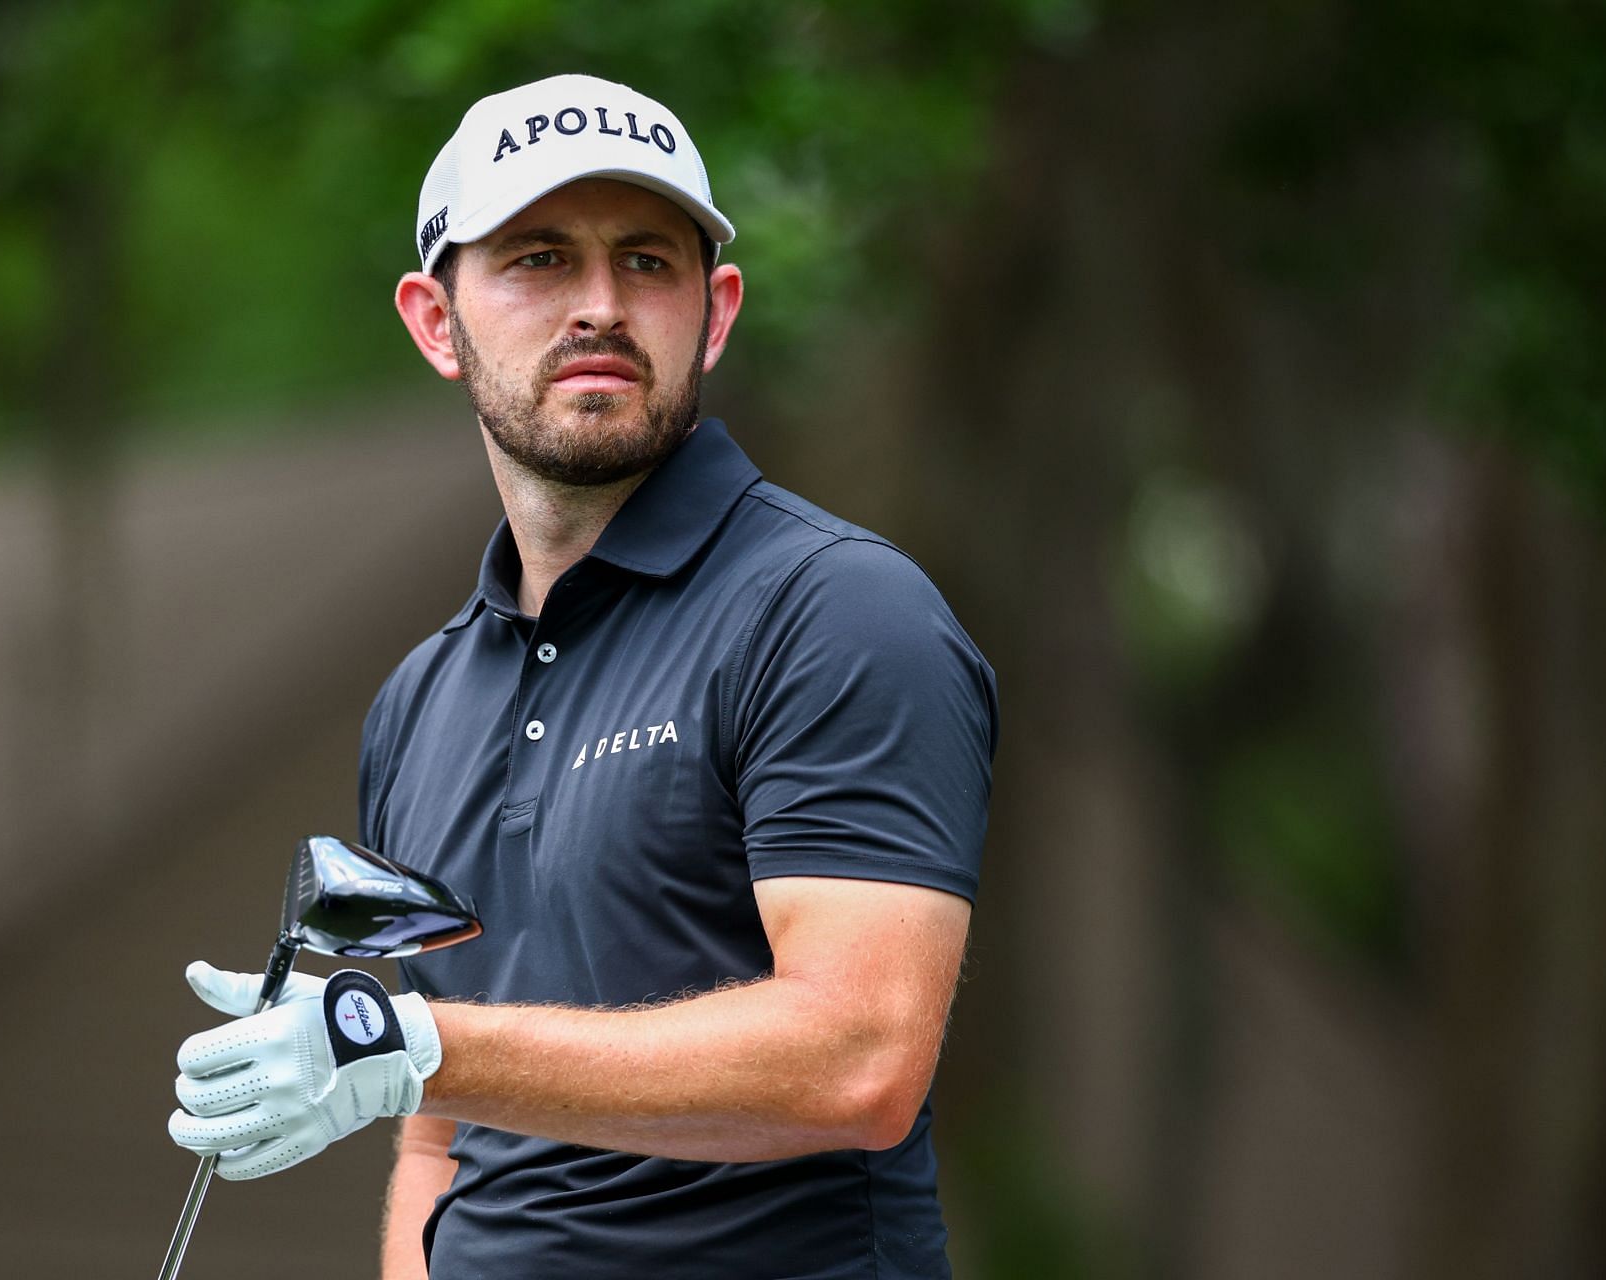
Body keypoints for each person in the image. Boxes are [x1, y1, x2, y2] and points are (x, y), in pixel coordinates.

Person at [167, 73, 999, 1279]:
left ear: (714, 314)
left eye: (648, 262)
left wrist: (411, 1040)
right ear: (435, 319)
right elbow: (438, 1136)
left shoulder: (837, 611)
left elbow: (860, 1057)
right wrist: (412, 1059)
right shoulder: (419, 702)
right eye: (540, 259)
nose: (601, 306)